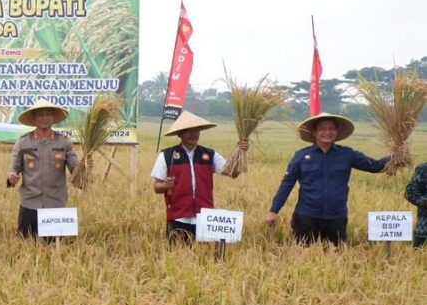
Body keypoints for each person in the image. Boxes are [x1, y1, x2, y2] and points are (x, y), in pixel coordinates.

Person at [267, 112, 401, 245]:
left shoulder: (348, 154)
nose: (327, 132)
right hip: (306, 217)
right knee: (302, 254)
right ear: (314, 132)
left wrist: (397, 156)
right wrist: (274, 211)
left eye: (331, 129)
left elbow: (375, 166)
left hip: (336, 218)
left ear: (337, 132)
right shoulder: (301, 156)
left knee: (337, 254)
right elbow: (287, 184)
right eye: (322, 129)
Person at [151, 111, 248, 244]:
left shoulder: (210, 154)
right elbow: (156, 187)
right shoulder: (167, 155)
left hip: (204, 218)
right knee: (176, 254)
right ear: (179, 134)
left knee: (203, 255)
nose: (193, 134)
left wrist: (240, 152)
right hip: (178, 217)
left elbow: (233, 173)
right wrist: (164, 186)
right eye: (188, 131)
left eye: (196, 130)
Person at [6, 100, 79, 238]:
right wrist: (11, 177)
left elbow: (76, 170)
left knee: (55, 247)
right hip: (29, 205)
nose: (44, 118)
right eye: (40, 115)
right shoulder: (23, 142)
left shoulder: (64, 142)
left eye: (48, 114)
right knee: (26, 245)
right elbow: (13, 168)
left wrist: (84, 167)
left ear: (53, 117)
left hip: (56, 205)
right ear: (33, 118)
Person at [405, 161, 427, 248]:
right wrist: (424, 202)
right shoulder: (424, 169)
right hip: (424, 231)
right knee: (419, 254)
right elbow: (410, 193)